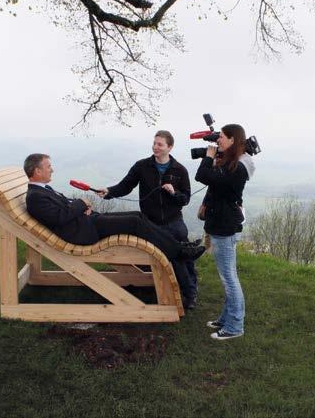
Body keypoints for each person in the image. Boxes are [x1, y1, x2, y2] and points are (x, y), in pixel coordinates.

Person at [24, 153, 206, 265]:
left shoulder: (42, 191)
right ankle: (180, 253)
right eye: (48, 167)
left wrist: (82, 207)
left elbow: (64, 208)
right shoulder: (35, 197)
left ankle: (180, 246)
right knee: (135, 222)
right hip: (84, 232)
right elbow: (58, 217)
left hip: (87, 221)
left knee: (138, 216)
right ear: (37, 171)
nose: (52, 170)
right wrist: (82, 204)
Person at [95, 130, 199, 309]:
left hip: (174, 221)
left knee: (181, 254)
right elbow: (125, 186)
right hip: (150, 222)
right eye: (154, 143)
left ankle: (190, 292)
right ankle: (157, 284)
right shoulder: (142, 166)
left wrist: (174, 193)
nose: (155, 147)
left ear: (169, 147)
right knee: (173, 252)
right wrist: (109, 192)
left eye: (160, 144)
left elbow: (186, 199)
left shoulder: (180, 170)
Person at [194, 124, 255, 340]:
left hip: (225, 226)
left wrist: (209, 156)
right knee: (228, 276)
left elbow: (202, 175)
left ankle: (235, 327)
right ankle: (226, 319)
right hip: (221, 223)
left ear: (232, 140)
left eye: (221, 137)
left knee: (229, 278)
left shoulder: (237, 168)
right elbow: (213, 181)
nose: (217, 140)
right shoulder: (232, 164)